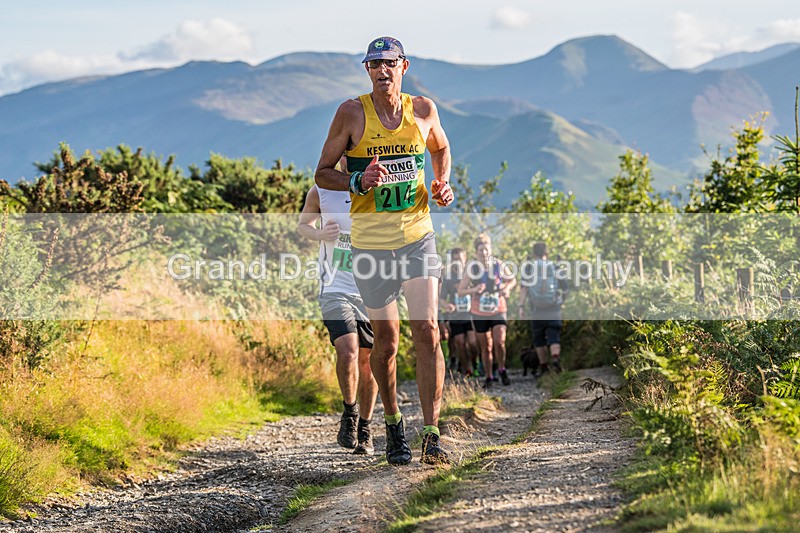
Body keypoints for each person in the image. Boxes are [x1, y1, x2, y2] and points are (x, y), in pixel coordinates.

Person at [314, 36, 455, 466]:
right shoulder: (351, 113)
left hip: (417, 236)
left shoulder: (424, 109)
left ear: (403, 66)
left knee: (427, 329)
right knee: (387, 342)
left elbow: (440, 148)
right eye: (373, 65)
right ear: (367, 70)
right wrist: (357, 181)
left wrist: (442, 182)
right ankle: (393, 425)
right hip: (372, 244)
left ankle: (431, 433)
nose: (381, 71)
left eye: (388, 63)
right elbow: (322, 173)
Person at [298, 179, 378, 455]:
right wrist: (321, 234)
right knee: (348, 350)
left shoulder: (377, 187)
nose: (345, 158)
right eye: (340, 156)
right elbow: (303, 225)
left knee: (369, 362)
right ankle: (350, 412)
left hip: (371, 290)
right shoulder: (321, 190)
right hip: (334, 288)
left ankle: (365, 428)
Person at [458, 234, 516, 388]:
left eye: (486, 250)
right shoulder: (472, 268)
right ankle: (489, 376)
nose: (484, 253)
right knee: (486, 347)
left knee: (499, 342)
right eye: (480, 250)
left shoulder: (498, 264)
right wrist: (474, 289)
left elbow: (512, 280)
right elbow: (460, 291)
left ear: (490, 250)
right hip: (479, 311)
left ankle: (502, 369)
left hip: (498, 309)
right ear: (476, 252)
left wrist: (506, 289)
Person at [518, 242, 568, 376]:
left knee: (539, 338)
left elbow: (524, 289)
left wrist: (521, 306)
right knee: (554, 335)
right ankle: (555, 358)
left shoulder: (529, 269)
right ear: (547, 253)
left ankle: (544, 368)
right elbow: (565, 288)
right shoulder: (555, 267)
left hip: (537, 309)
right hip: (553, 308)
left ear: (534, 253)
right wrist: (561, 302)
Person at [440, 247, 478, 377]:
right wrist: (447, 305)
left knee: (472, 343)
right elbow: (441, 298)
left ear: (465, 259)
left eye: (460, 259)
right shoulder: (448, 278)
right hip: (455, 316)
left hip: (471, 314)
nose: (458, 262)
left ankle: (475, 362)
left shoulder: (472, 274)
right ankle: (468, 370)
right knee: (460, 344)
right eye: (455, 259)